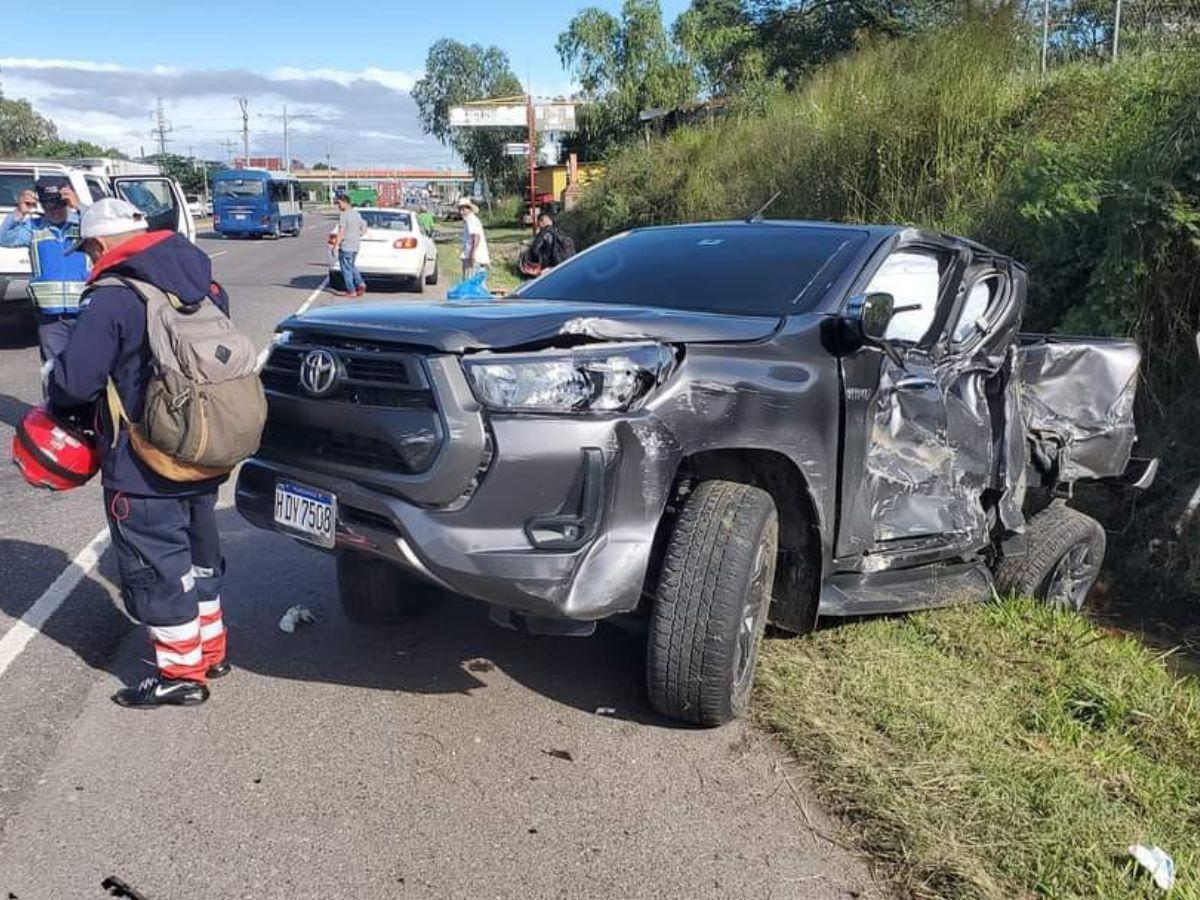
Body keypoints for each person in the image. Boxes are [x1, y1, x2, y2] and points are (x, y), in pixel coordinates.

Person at [49, 199, 232, 709]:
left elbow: (74, 383)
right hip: (203, 446)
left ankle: (181, 675)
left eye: (88, 249)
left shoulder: (112, 296)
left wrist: (55, 378)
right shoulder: (204, 283)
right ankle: (212, 650)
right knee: (199, 557)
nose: (88, 259)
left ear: (102, 244)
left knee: (157, 564)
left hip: (143, 461)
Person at [0, 178, 90, 362]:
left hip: (85, 313)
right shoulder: (34, 228)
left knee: (88, 370)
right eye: (49, 207)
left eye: (59, 205)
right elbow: (4, 238)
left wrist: (80, 206)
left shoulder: (85, 224)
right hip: (50, 318)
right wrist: (19, 212)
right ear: (42, 205)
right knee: (54, 372)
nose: (55, 211)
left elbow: (106, 230)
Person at [332, 192, 367, 297]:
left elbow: (341, 232)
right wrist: (359, 234)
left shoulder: (344, 214)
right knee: (351, 266)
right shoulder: (356, 214)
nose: (338, 205)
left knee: (346, 269)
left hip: (346, 245)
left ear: (345, 202)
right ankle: (360, 283)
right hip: (355, 245)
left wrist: (335, 246)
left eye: (339, 203)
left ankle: (351, 290)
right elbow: (364, 225)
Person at [520, 211, 575, 276]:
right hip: (569, 264)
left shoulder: (544, 233)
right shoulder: (561, 232)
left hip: (552, 265)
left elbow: (534, 250)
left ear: (541, 222)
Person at [457, 196, 490, 280]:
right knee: (474, 280)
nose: (461, 212)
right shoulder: (471, 220)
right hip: (473, 256)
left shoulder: (470, 220)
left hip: (473, 257)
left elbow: (476, 236)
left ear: (469, 209)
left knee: (470, 280)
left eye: (463, 210)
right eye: (460, 210)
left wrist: (472, 253)